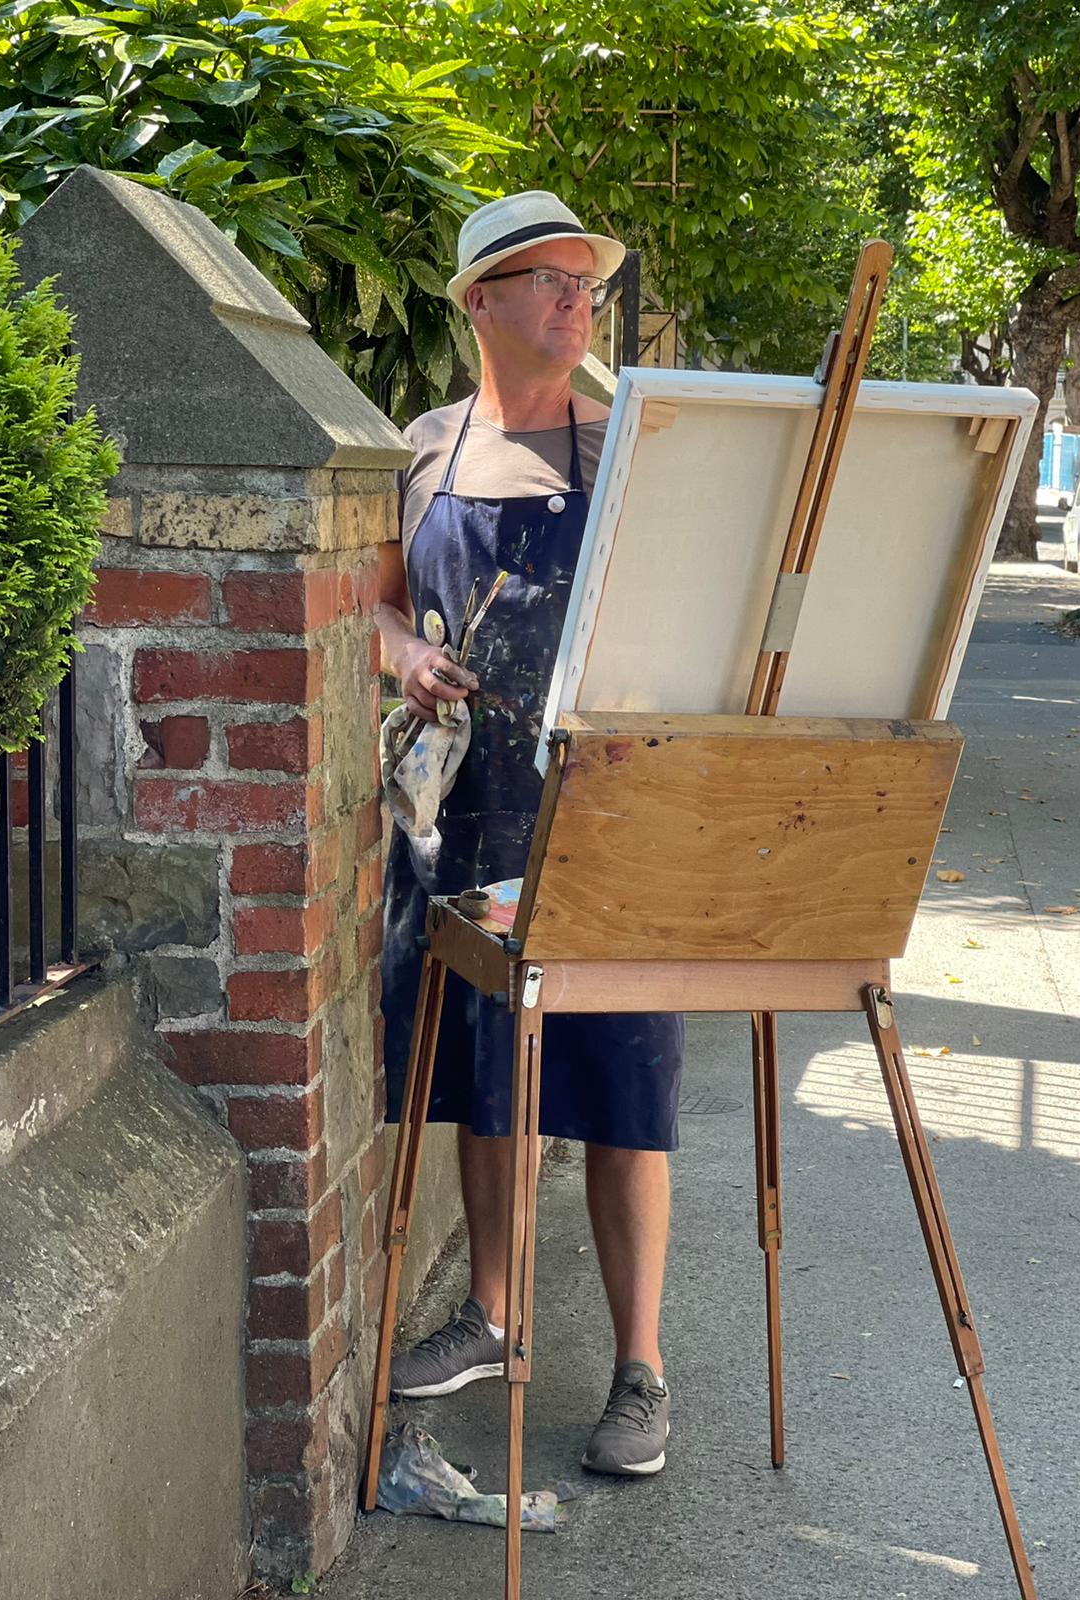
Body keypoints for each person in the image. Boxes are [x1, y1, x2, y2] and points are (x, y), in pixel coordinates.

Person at [375, 191, 684, 1476]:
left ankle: (640, 1368)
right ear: (480, 303)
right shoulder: (425, 447)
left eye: (586, 284)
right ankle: (495, 1320)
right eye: (549, 280)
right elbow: (380, 612)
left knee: (625, 1093)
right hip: (468, 811)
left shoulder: (631, 452)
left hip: (608, 816)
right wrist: (398, 658)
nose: (576, 300)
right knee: (487, 1080)